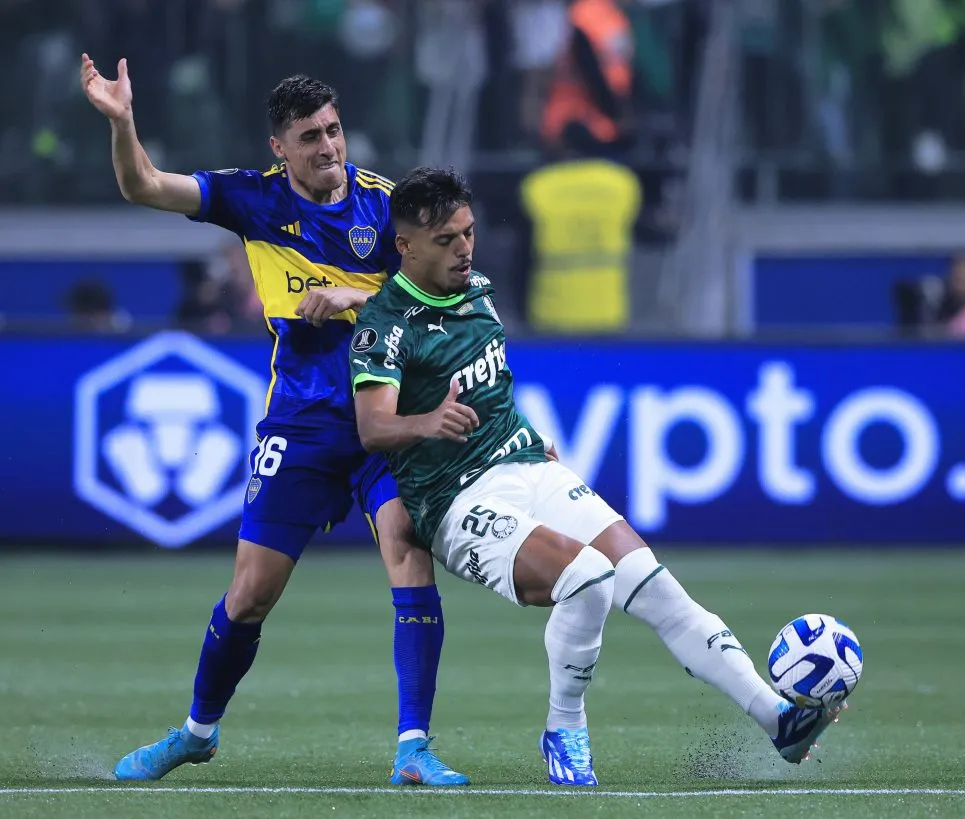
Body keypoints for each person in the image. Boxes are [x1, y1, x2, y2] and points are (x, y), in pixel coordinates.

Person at [350, 167, 847, 784]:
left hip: (526, 464)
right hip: (454, 501)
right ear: (405, 245)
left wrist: (529, 436)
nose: (464, 248)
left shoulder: (477, 289)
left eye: (469, 232)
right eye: (447, 239)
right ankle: (564, 729)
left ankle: (780, 720)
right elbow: (372, 427)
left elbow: (493, 387)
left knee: (659, 589)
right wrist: (427, 422)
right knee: (586, 578)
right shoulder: (385, 325)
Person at [80, 55, 467, 787]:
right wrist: (123, 121)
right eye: (310, 137)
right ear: (279, 148)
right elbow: (143, 185)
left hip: (386, 417)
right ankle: (197, 732)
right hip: (302, 423)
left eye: (334, 130)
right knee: (251, 593)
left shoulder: (388, 206)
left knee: (407, 552)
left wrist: (355, 295)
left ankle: (413, 747)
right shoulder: (252, 199)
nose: (329, 146)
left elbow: (447, 297)